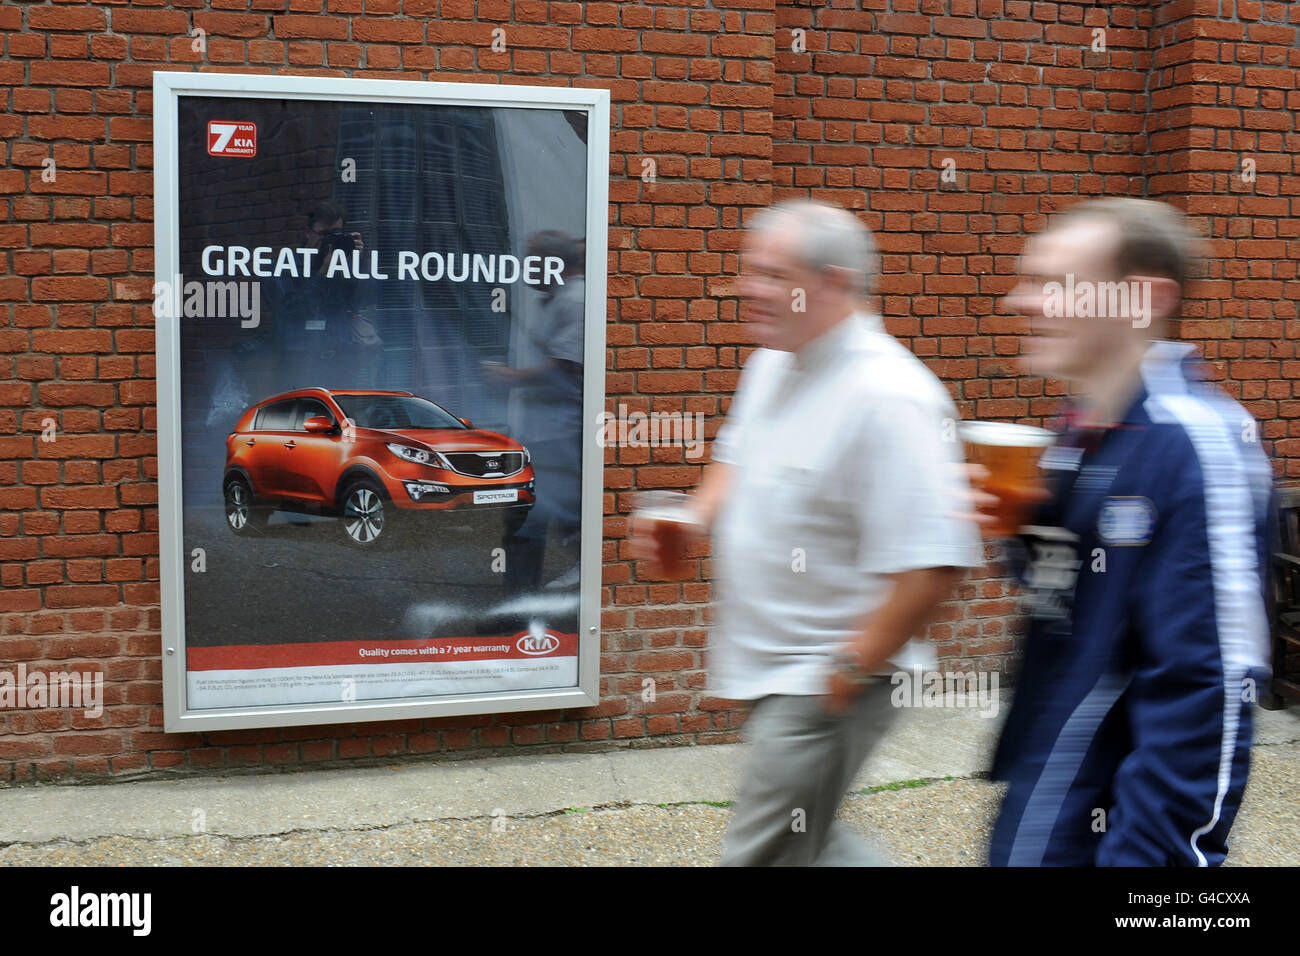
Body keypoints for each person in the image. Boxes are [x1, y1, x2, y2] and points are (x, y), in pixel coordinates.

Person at [635, 199, 984, 865]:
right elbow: (735, 458)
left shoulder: (893, 397)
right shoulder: (775, 360)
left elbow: (937, 561)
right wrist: (694, 519)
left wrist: (846, 672)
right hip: (775, 663)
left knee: (762, 852)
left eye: (772, 275)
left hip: (827, 674)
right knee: (813, 841)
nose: (748, 288)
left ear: (834, 283)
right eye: (748, 271)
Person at [974, 198, 1274, 866]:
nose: (1020, 302)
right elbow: (1073, 605)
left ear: (1144, 298)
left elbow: (1213, 689)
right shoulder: (1073, 431)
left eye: (1055, 284)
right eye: (1028, 280)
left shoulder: (1199, 445)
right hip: (1040, 811)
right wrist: (1023, 532)